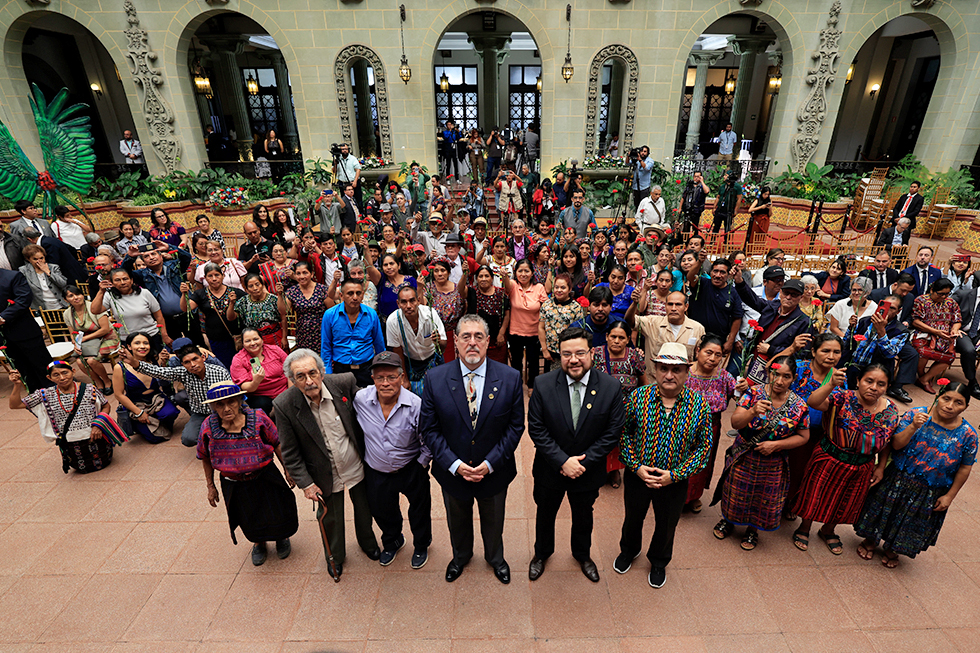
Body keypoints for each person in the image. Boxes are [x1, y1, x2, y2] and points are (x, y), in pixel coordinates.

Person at [419, 315, 525, 584]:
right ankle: (461, 556)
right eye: (466, 336)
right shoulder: (435, 378)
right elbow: (429, 429)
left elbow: (515, 428)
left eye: (479, 336)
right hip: (453, 472)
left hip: (494, 472)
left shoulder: (511, 378)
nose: (472, 342)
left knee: (494, 521)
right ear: (455, 341)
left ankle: (495, 559)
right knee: (458, 520)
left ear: (488, 341)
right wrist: (454, 464)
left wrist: (489, 464)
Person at [527, 327, 625, 582]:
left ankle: (582, 554)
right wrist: (562, 461)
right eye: (566, 354)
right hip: (550, 468)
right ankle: (541, 554)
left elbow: (612, 432)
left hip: (587, 470)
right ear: (559, 355)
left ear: (592, 353)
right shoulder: (543, 383)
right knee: (545, 513)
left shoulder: (610, 387)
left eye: (580, 353)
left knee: (584, 516)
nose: (573, 360)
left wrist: (583, 463)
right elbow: (536, 428)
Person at [275, 349, 381, 578]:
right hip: (323, 474)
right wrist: (306, 484)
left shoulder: (344, 382)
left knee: (365, 509)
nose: (309, 381)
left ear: (322, 372)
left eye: (313, 373)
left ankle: (368, 543)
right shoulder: (284, 405)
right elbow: (290, 452)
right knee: (330, 519)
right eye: (300, 376)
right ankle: (335, 557)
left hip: (355, 464)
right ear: (292, 380)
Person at [615, 342, 712, 589]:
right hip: (639, 475)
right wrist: (636, 467)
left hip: (673, 481)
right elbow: (623, 434)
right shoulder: (638, 397)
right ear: (655, 370)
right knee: (633, 517)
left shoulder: (698, 404)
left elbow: (704, 448)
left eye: (676, 369)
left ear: (686, 372)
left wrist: (675, 475)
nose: (669, 375)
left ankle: (658, 561)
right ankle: (629, 550)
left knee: (667, 523)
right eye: (663, 369)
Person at [854, 382, 976, 568]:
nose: (950, 406)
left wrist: (949, 496)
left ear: (966, 406)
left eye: (958, 402)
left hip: (930, 488)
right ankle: (871, 541)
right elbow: (894, 445)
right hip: (898, 477)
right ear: (938, 397)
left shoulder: (968, 435)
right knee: (882, 511)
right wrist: (912, 426)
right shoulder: (916, 415)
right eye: (946, 398)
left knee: (909, 521)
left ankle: (892, 549)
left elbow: (965, 468)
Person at [792, 364, 899, 554]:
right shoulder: (843, 396)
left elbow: (887, 442)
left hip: (861, 464)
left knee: (846, 500)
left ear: (887, 387)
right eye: (869, 381)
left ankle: (828, 530)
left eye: (881, 384)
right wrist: (831, 385)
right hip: (830, 456)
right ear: (858, 381)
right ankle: (804, 527)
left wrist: (880, 467)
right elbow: (814, 402)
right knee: (815, 494)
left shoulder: (891, 410)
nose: (874, 387)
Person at [712, 356, 810, 550]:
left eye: (786, 376)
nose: (780, 381)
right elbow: (735, 423)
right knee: (735, 489)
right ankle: (729, 521)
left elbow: (803, 436)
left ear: (793, 379)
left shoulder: (799, 406)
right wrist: (752, 412)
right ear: (769, 373)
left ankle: (752, 530)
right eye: (775, 374)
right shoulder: (753, 393)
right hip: (744, 454)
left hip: (773, 460)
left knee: (763, 496)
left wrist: (777, 445)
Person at [198, 380, 297, 566]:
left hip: (265, 474)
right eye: (219, 404)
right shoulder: (208, 427)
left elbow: (276, 443)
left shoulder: (258, 418)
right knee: (248, 514)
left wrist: (287, 469)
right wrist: (210, 486)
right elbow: (204, 456)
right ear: (213, 407)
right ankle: (259, 543)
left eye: (231, 402)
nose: (227, 408)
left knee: (277, 507)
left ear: (240, 400)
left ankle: (281, 538)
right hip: (234, 481)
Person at [353, 351, 432, 568]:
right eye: (380, 378)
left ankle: (422, 544)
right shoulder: (361, 400)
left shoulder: (416, 404)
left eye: (391, 377)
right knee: (382, 511)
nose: (385, 383)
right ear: (373, 379)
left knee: (419, 509)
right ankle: (393, 541)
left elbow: (427, 439)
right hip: (376, 471)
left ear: (402, 378)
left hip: (410, 468)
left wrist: (421, 465)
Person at [9, 361, 114, 474]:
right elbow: (15, 405)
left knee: (103, 460)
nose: (62, 378)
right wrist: (17, 385)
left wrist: (98, 424)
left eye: (65, 373)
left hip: (95, 437)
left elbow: (106, 405)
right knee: (80, 466)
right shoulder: (45, 394)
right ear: (49, 378)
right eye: (56, 375)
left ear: (73, 372)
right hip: (70, 442)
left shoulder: (89, 389)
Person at [122, 342, 232, 447]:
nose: (192, 364)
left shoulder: (219, 372)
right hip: (200, 413)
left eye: (195, 359)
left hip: (222, 411)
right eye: (187, 362)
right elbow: (158, 372)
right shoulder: (183, 373)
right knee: (188, 439)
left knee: (229, 432)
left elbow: (233, 396)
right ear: (183, 364)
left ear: (203, 357)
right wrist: (134, 362)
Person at [784, 333, 843, 519]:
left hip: (814, 433)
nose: (831, 356)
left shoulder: (839, 378)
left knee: (800, 471)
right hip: (786, 428)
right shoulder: (798, 369)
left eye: (837, 352)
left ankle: (789, 504)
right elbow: (772, 373)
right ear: (813, 351)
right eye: (825, 351)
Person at [591, 320, 646, 490]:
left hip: (626, 409)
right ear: (606, 337)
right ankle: (599, 470)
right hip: (599, 408)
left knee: (620, 440)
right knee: (599, 439)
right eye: (613, 336)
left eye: (621, 338)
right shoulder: (596, 354)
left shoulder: (634, 356)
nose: (616, 341)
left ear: (628, 339)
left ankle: (615, 470)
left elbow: (643, 382)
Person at [112, 331, 178, 443]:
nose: (142, 346)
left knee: (171, 413)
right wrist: (138, 412)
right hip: (136, 404)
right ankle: (137, 424)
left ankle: (155, 421)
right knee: (156, 439)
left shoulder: (154, 360)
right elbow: (118, 394)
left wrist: (163, 363)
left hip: (156, 399)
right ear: (129, 346)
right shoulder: (120, 368)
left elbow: (182, 356)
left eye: (145, 343)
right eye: (137, 343)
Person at [320, 278, 385, 387]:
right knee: (343, 402)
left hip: (366, 369)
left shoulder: (371, 314)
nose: (355, 297)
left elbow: (379, 345)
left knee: (367, 402)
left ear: (363, 295)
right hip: (341, 370)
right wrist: (328, 375)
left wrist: (381, 371)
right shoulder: (330, 315)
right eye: (350, 293)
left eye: (358, 293)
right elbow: (326, 347)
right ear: (341, 295)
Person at [387, 285, 447, 395]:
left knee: (440, 394)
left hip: (433, 359)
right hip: (411, 362)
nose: (408, 306)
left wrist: (438, 341)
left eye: (412, 301)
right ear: (398, 304)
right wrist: (404, 379)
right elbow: (398, 351)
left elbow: (443, 346)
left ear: (418, 300)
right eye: (404, 302)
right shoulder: (393, 321)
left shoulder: (430, 314)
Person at [92, 267, 171, 349]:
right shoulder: (110, 296)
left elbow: (159, 316)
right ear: (112, 283)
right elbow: (95, 311)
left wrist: (164, 335)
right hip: (128, 339)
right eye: (117, 280)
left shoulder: (144, 293)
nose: (122, 282)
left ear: (131, 280)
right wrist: (101, 291)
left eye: (125, 279)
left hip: (150, 336)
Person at [634, 291, 705, 378]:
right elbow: (630, 321)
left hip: (683, 383)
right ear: (665, 306)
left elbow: (700, 358)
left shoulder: (697, 328)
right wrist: (634, 304)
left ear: (686, 307)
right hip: (653, 382)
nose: (673, 308)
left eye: (678, 304)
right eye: (670, 304)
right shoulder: (652, 323)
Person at [182, 263, 239, 368]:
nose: (214, 279)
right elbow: (186, 308)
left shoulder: (235, 292)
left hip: (236, 338)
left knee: (240, 365)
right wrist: (184, 294)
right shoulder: (200, 294)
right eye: (210, 276)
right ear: (205, 278)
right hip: (216, 339)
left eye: (217, 275)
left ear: (223, 275)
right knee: (224, 367)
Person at [500, 259, 546, 389]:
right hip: (515, 332)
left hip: (534, 332)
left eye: (527, 271)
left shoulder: (539, 288)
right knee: (516, 362)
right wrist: (505, 277)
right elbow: (507, 286)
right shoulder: (513, 285)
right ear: (515, 272)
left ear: (532, 273)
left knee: (534, 362)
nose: (523, 274)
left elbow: (546, 307)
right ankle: (517, 386)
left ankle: (532, 387)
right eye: (520, 271)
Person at [63, 285, 117, 394]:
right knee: (80, 361)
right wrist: (76, 345)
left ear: (83, 295)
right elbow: (73, 334)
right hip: (87, 342)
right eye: (71, 296)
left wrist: (84, 338)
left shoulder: (94, 307)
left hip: (106, 338)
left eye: (78, 294)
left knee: (92, 360)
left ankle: (107, 381)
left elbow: (105, 329)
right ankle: (98, 381)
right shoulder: (67, 313)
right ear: (66, 300)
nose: (76, 298)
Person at [911, 278, 961, 393]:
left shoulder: (951, 302)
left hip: (945, 336)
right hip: (925, 333)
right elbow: (915, 321)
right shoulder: (921, 300)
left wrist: (954, 330)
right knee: (923, 352)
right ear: (932, 290)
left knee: (950, 357)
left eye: (947, 294)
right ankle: (922, 376)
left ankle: (924, 379)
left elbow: (957, 320)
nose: (944, 297)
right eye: (941, 294)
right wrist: (935, 331)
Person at [230, 328, 288, 417]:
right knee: (262, 404)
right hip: (260, 396)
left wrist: (289, 394)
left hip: (284, 391)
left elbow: (291, 372)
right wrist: (256, 381)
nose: (253, 343)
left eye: (255, 339)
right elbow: (244, 387)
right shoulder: (239, 359)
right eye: (248, 341)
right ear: (243, 343)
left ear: (262, 339)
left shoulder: (275, 350)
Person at [420, 257, 467, 363]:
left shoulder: (457, 288)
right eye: (436, 271)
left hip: (454, 334)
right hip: (436, 336)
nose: (439, 274)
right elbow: (422, 306)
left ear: (449, 272)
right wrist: (419, 288)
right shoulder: (428, 288)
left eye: (443, 270)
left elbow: (465, 305)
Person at [281, 261, 330, 354]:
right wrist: (280, 295)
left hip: (322, 333)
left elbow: (332, 312)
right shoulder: (292, 291)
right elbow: (283, 311)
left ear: (311, 274)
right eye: (298, 273)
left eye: (305, 273)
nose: (301, 276)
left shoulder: (322, 290)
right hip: (303, 335)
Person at [228, 273, 286, 350]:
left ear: (262, 285)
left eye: (257, 284)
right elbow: (230, 318)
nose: (255, 288)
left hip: (274, 336)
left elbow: (283, 316)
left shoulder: (273, 299)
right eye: (251, 286)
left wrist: (284, 337)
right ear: (246, 289)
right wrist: (231, 303)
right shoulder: (243, 302)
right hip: (254, 340)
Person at [539, 273, 585, 370]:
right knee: (549, 382)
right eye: (556, 287)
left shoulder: (576, 307)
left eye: (563, 287)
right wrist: (544, 350)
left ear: (569, 289)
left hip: (569, 353)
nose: (559, 290)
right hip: (550, 352)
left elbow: (580, 332)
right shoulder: (546, 305)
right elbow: (541, 327)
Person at [467, 265, 511, 364]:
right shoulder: (472, 292)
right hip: (478, 340)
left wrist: (502, 333)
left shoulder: (501, 293)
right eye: (480, 276)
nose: (484, 279)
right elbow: (461, 291)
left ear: (492, 278)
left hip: (497, 340)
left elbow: (507, 314)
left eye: (487, 276)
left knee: (498, 369)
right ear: (476, 279)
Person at [19, 243, 68, 309]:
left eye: (41, 258)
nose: (39, 261)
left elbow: (63, 283)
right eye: (35, 259)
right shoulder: (24, 270)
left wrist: (49, 272)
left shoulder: (53, 267)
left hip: (60, 304)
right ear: (28, 259)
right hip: (41, 307)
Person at [678, 171, 709, 236]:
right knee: (686, 227)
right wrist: (680, 208)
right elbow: (683, 197)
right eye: (695, 176)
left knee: (695, 227)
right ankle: (685, 241)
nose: (696, 178)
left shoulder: (701, 186)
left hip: (696, 210)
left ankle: (695, 240)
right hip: (687, 209)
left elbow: (707, 191)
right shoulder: (689, 186)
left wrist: (702, 181)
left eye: (698, 176)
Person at [711, 169, 741, 236]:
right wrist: (714, 207)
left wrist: (735, 210)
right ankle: (712, 241)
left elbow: (739, 199)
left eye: (726, 175)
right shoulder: (722, 186)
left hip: (729, 211)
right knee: (716, 227)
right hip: (720, 209)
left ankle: (726, 243)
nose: (724, 177)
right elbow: (718, 197)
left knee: (727, 228)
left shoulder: (737, 187)